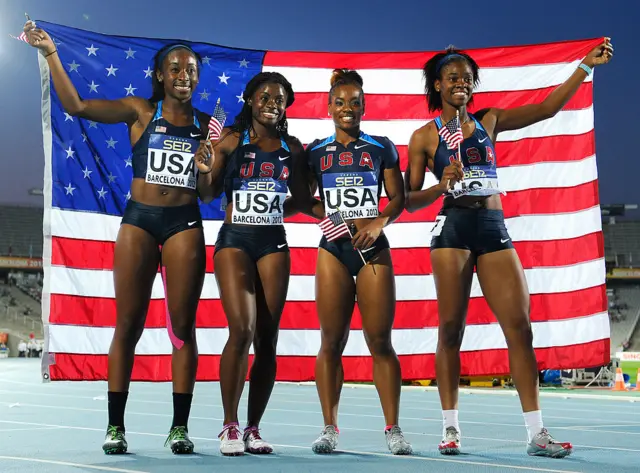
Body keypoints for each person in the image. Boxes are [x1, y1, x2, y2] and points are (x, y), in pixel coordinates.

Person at [404, 39, 613, 458]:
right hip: (453, 231)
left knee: (520, 328)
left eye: (466, 77)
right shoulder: (423, 137)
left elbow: (548, 109)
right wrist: (440, 183)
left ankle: (536, 433)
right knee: (450, 330)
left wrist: (584, 68)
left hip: (492, 225)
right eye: (452, 77)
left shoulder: (490, 120)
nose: (460, 82)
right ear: (438, 85)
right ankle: (450, 428)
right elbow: (409, 200)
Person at [24, 21, 214, 455]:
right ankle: (116, 427)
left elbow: (207, 192)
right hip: (139, 222)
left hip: (184, 222)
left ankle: (179, 428)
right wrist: (51, 52)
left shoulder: (208, 128)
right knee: (127, 324)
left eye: (191, 70)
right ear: (161, 75)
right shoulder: (139, 111)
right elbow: (76, 106)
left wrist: (206, 171)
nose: (184, 75)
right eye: (175, 68)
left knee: (182, 329)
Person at [289, 69, 412, 455]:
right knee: (331, 341)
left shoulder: (381, 147)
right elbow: (303, 199)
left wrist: (379, 221)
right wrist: (322, 214)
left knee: (380, 341)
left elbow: (398, 197)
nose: (347, 108)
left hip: (374, 250)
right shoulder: (315, 152)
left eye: (354, 102)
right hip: (333, 250)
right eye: (340, 102)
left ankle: (393, 429)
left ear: (364, 105)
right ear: (328, 107)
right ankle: (329, 428)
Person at [193, 71, 305, 456]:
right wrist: (205, 169)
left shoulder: (292, 147)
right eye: (266, 97)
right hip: (234, 242)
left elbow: (303, 199)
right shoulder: (230, 140)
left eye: (280, 99)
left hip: (273, 242)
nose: (273, 104)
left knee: (268, 341)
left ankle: (254, 428)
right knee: (242, 329)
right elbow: (208, 194)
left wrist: (276, 208)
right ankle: (229, 425)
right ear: (250, 101)